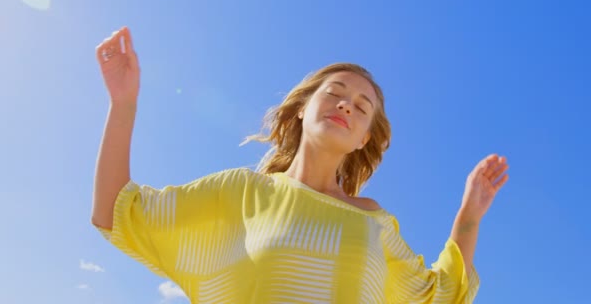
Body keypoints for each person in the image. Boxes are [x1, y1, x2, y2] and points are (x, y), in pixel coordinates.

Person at [91, 27, 509, 304]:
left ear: (364, 138)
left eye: (362, 107)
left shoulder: (373, 222)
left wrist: (469, 215)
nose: (347, 103)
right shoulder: (242, 194)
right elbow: (115, 211)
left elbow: (442, 293)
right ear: (302, 109)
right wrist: (123, 103)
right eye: (335, 92)